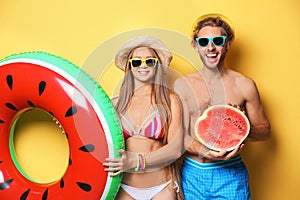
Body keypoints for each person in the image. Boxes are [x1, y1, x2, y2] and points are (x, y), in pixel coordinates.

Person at [174, 14, 271, 199]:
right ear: (196, 46)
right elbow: (176, 135)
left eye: (217, 40)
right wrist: (203, 150)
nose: (210, 47)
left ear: (227, 44)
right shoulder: (182, 85)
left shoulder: (244, 85)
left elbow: (265, 131)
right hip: (193, 174)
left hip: (231, 174)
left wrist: (239, 128)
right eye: (204, 42)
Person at [103, 36, 184, 200]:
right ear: (129, 67)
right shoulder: (114, 104)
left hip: (162, 188)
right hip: (124, 188)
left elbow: (175, 149)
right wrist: (67, 126)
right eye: (137, 62)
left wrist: (135, 162)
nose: (143, 66)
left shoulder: (170, 100)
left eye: (150, 61)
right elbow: (94, 136)